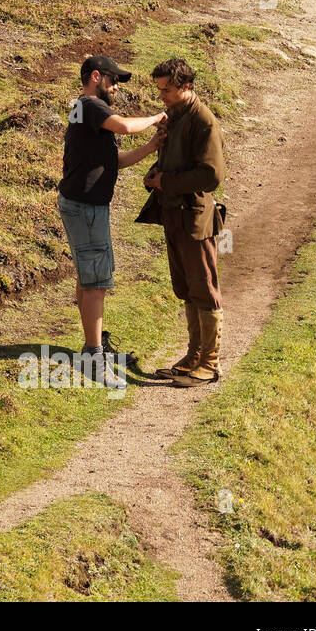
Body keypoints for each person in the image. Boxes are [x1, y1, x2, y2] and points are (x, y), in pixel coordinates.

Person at [58, 55, 167, 367]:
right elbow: (124, 127)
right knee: (95, 280)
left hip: (80, 204)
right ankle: (93, 354)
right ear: (96, 76)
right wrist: (156, 118)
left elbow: (113, 161)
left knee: (87, 276)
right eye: (113, 79)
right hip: (87, 207)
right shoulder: (91, 106)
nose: (117, 87)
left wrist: (151, 147)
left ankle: (95, 344)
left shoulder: (81, 109)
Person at [139, 57, 227, 387]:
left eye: (167, 90)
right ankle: (194, 356)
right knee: (187, 289)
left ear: (186, 86)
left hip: (195, 217)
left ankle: (211, 362)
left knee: (204, 289)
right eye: (159, 89)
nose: (162, 95)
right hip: (174, 214)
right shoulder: (176, 116)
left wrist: (167, 182)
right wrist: (156, 176)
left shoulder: (203, 121)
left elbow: (212, 175)